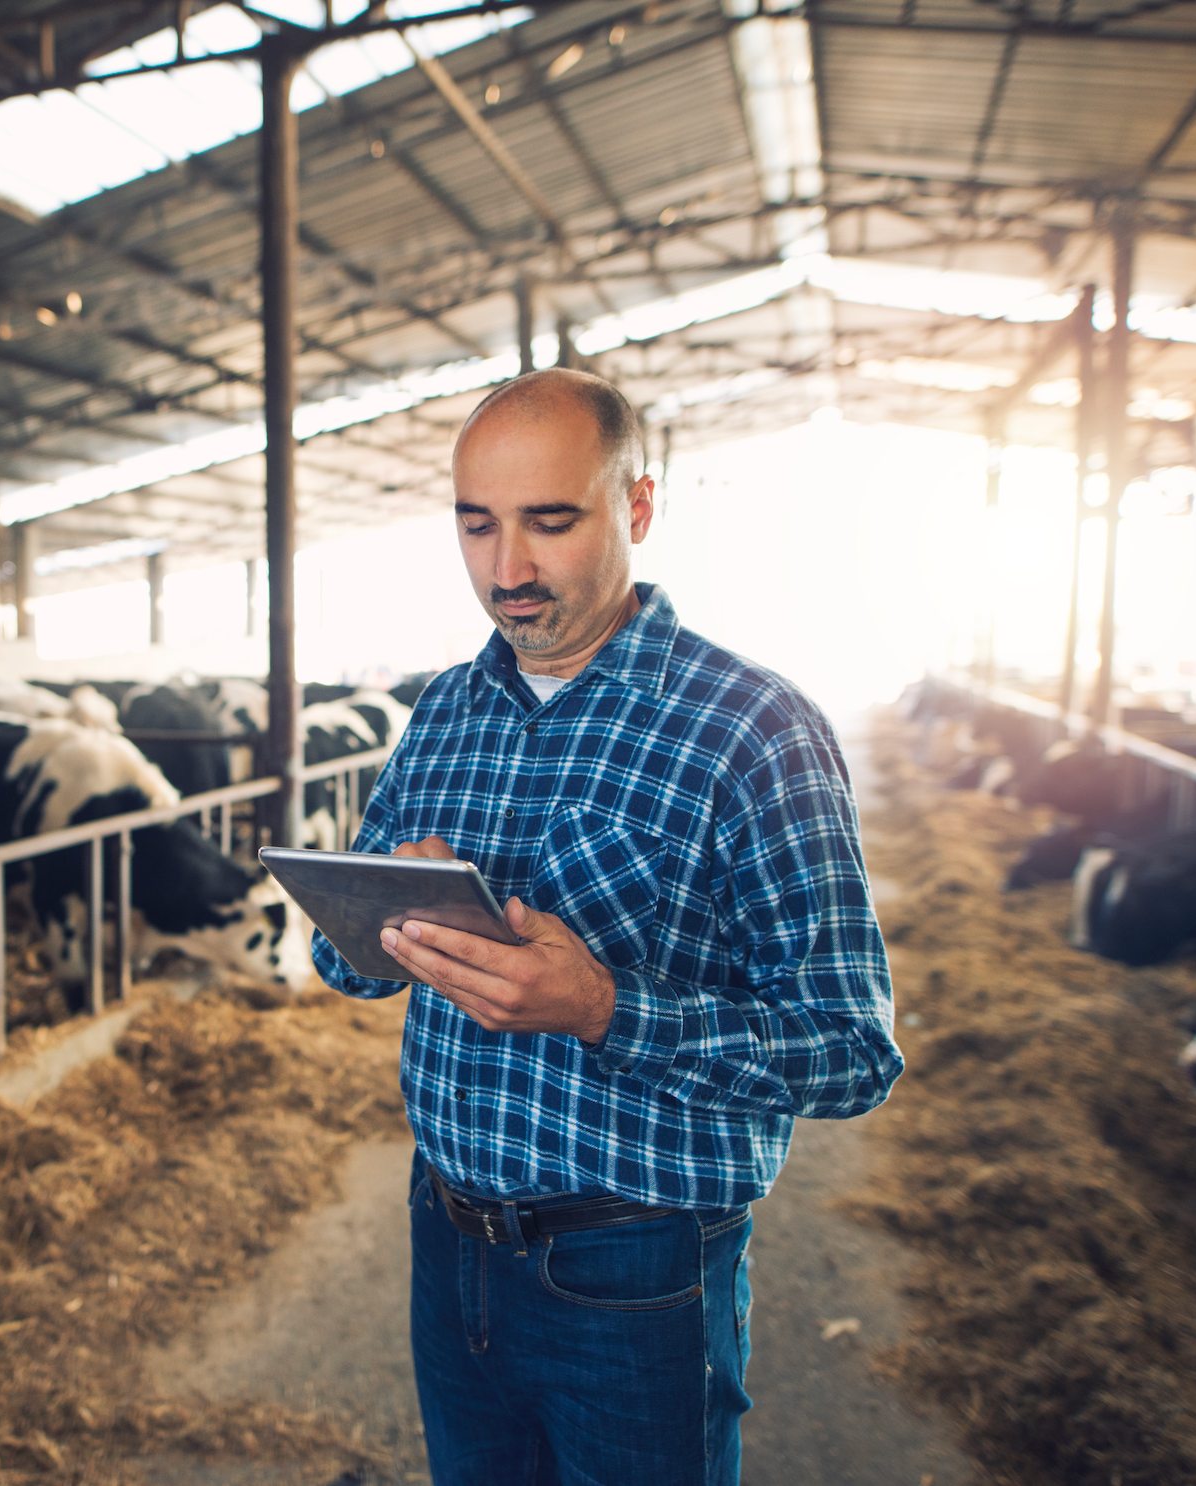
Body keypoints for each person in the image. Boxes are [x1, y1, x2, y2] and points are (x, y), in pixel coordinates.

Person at [310, 368, 902, 1486]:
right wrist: (369, 919)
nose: (507, 569)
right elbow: (350, 973)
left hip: (636, 1267)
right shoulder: (440, 710)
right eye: (476, 524)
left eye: (550, 520)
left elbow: (851, 1051)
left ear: (636, 507)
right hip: (449, 1235)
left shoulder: (751, 728)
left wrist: (603, 1007)